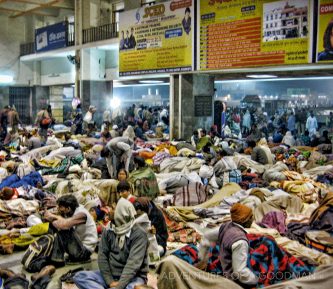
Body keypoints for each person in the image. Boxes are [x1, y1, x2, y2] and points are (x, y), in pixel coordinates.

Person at [73, 198, 149, 289]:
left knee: (133, 287)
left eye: (113, 209)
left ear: (122, 213)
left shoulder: (139, 234)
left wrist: (119, 286)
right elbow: (102, 256)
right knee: (79, 277)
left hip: (133, 278)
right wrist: (109, 281)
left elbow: (132, 265)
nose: (109, 210)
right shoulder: (109, 229)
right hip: (112, 276)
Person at [197, 203, 258, 287]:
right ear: (245, 219)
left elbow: (206, 236)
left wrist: (202, 259)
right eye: (251, 217)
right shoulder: (240, 241)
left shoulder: (226, 226)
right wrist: (256, 279)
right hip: (231, 282)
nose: (253, 219)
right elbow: (240, 272)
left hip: (224, 267)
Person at [43, 194, 98, 265]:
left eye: (61, 207)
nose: (59, 209)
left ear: (68, 208)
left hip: (84, 252)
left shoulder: (82, 214)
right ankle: (56, 258)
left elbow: (64, 225)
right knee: (55, 227)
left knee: (64, 230)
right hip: (80, 247)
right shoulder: (73, 211)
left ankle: (57, 260)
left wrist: (52, 218)